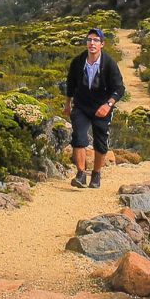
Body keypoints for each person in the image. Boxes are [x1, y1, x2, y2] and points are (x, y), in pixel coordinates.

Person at [64, 27, 125, 188]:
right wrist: (68, 102)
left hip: (101, 107)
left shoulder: (109, 64)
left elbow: (119, 89)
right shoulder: (78, 62)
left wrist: (108, 105)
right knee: (79, 137)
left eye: (96, 40)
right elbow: (70, 83)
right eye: (89, 40)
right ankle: (81, 174)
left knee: (100, 141)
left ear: (102, 44)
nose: (92, 43)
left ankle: (96, 174)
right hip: (81, 106)